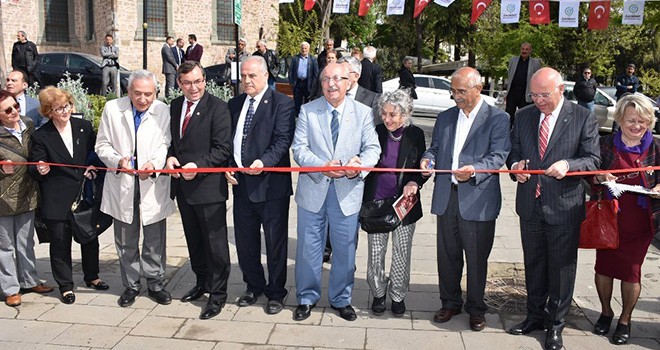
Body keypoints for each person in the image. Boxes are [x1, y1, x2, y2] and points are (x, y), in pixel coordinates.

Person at [506, 68, 600, 350]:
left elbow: (593, 160)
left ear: (561, 89)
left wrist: (569, 166)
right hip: (530, 204)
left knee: (561, 269)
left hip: (564, 206)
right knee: (533, 264)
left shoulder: (582, 116)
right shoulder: (523, 115)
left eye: (544, 94)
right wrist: (515, 168)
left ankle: (556, 325)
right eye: (533, 94)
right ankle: (534, 316)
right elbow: (514, 152)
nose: (538, 100)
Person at [420, 67, 511, 332]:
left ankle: (476, 308)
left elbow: (498, 155)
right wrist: (429, 160)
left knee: (476, 258)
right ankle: (449, 302)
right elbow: (434, 147)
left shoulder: (498, 118)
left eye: (461, 91)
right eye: (453, 91)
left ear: (478, 89)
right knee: (447, 255)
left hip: (478, 199)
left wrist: (475, 170)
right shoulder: (446, 117)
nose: (455, 97)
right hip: (447, 197)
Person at [291, 63, 381, 322]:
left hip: (347, 192)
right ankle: (306, 298)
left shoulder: (363, 113)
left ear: (349, 81)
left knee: (345, 250)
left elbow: (372, 149)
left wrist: (358, 167)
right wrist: (321, 166)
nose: (331, 84)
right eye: (326, 79)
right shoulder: (308, 111)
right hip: (313, 188)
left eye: (337, 79)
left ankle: (342, 299)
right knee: (309, 248)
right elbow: (299, 148)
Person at [95, 70, 176, 308]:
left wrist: (155, 164)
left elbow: (165, 143)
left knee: (154, 237)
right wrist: (117, 160)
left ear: (156, 93)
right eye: (138, 93)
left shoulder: (163, 110)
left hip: (152, 182)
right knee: (125, 238)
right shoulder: (112, 109)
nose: (143, 99)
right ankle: (131, 284)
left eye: (148, 94)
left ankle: (155, 282)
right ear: (128, 91)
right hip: (123, 182)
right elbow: (101, 144)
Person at [226, 56, 296, 315]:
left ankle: (276, 292)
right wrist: (227, 167)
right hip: (241, 185)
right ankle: (253, 286)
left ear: (266, 75)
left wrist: (262, 162)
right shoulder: (234, 104)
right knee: (245, 242)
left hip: (271, 187)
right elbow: (228, 140)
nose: (246, 81)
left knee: (275, 244)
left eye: (252, 76)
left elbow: (281, 141)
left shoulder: (282, 104)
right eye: (243, 76)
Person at [590, 94, 660, 345]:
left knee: (632, 272)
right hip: (609, 218)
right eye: (631, 120)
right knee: (604, 267)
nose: (636, 126)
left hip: (641, 222)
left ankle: (625, 319)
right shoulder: (605, 145)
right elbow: (590, 172)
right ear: (619, 118)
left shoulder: (656, 147)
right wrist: (599, 176)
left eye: (642, 121)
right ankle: (606, 312)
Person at [165, 61, 232, 320]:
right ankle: (202, 282)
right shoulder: (174, 106)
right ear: (179, 84)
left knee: (215, 245)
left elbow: (222, 148)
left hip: (208, 187)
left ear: (205, 80)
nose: (193, 87)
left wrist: (198, 165)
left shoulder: (218, 108)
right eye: (187, 83)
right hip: (184, 187)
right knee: (194, 241)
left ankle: (218, 295)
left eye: (198, 81)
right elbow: (174, 142)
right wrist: (170, 157)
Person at [29, 87, 108, 304]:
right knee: (60, 242)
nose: (64, 111)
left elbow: (95, 152)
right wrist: (40, 169)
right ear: (48, 112)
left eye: (67, 106)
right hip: (57, 197)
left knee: (89, 237)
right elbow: (35, 166)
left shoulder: (83, 126)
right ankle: (65, 285)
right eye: (58, 108)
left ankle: (92, 276)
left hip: (83, 193)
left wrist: (92, 164)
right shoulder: (41, 135)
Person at [363, 89, 427, 317]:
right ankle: (378, 293)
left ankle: (397, 295)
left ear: (406, 113)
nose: (387, 119)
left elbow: (423, 167)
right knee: (376, 252)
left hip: (404, 205)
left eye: (393, 115)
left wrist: (415, 182)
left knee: (402, 251)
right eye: (384, 114)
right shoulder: (375, 131)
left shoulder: (416, 134)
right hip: (376, 203)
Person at [0, 89, 53, 307]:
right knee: (5, 247)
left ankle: (30, 280)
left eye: (16, 106)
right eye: (7, 110)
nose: (14, 112)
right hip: (3, 199)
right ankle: (10, 288)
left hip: (28, 193)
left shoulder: (28, 124)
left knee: (26, 242)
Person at [506, 42, 542, 128]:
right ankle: (507, 135)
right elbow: (509, 75)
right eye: (522, 49)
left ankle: (522, 136)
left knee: (524, 118)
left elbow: (537, 79)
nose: (524, 51)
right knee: (508, 117)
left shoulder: (536, 63)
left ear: (530, 51)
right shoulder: (513, 60)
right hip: (513, 93)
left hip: (526, 94)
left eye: (526, 49)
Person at [288, 42, 319, 115]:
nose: (304, 50)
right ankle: (297, 116)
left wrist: (313, 85)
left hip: (308, 83)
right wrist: (292, 82)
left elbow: (316, 74)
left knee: (307, 101)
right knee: (297, 101)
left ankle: (305, 115)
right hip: (297, 83)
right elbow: (290, 71)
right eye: (302, 48)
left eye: (305, 48)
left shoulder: (313, 59)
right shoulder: (295, 58)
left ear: (308, 49)